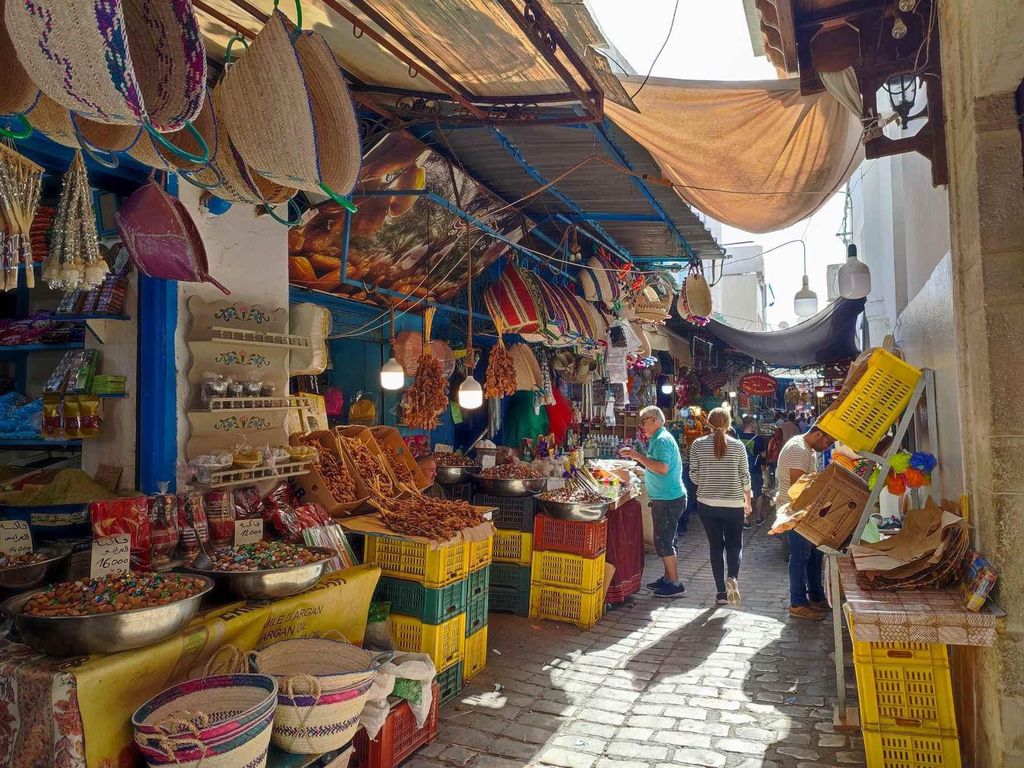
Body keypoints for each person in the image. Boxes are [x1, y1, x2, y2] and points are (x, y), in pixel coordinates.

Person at [619, 405, 686, 598]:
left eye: (643, 421)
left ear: (655, 420)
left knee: (664, 542)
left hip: (668, 499)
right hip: (667, 497)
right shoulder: (658, 438)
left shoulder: (662, 440)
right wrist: (644, 469)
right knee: (668, 540)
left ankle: (675, 583)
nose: (641, 426)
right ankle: (668, 578)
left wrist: (636, 456)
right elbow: (657, 467)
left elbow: (662, 468)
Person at [688, 407, 751, 607]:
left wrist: (706, 480)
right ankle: (732, 577)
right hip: (733, 504)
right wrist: (747, 502)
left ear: (708, 424)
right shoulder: (738, 446)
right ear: (728, 424)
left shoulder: (697, 445)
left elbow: (693, 475)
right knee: (734, 545)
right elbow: (745, 477)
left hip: (707, 504)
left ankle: (721, 593)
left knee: (715, 546)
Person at [775, 425, 836, 620]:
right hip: (795, 513)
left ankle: (815, 596)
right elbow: (798, 488)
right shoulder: (799, 450)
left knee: (813, 555)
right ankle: (798, 602)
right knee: (800, 557)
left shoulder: (805, 449)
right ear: (818, 434)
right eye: (827, 442)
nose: (827, 447)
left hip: (804, 512)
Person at [736, 417, 767, 527]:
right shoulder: (758, 439)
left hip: (740, 470)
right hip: (755, 470)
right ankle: (758, 518)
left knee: (742, 494)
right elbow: (763, 455)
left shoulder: (737, 438)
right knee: (758, 493)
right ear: (752, 425)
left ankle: (745, 520)